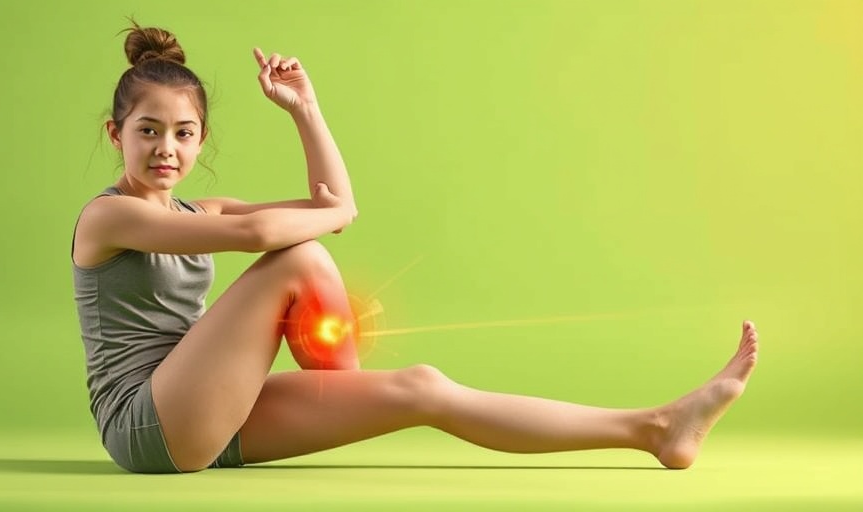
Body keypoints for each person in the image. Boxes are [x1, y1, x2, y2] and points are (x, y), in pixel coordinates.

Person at [71, 22, 759, 474]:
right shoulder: (107, 220)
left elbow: (328, 204)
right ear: (116, 134)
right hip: (146, 425)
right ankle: (339, 390)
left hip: (206, 414)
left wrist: (305, 110)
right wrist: (335, 214)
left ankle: (655, 427)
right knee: (299, 256)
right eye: (149, 131)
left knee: (423, 386)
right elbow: (277, 231)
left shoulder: (200, 208)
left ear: (200, 139)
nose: (167, 148)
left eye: (185, 133)